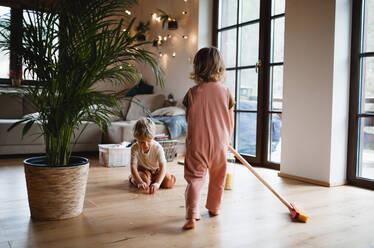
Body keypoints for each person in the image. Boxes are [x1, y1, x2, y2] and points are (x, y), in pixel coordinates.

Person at [182, 47, 235, 230]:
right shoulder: (226, 92)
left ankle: (192, 215)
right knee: (218, 177)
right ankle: (214, 208)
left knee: (195, 179)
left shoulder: (192, 93)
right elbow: (230, 120)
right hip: (220, 144)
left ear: (197, 68)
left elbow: (189, 119)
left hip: (198, 143)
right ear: (220, 68)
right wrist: (227, 139)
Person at [129, 117, 176, 194]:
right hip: (143, 170)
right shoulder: (134, 148)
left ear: (153, 137)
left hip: (157, 170)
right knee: (144, 182)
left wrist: (157, 183)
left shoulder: (158, 147)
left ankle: (153, 181)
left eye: (148, 141)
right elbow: (133, 166)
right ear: (136, 139)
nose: (146, 145)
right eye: (142, 142)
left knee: (168, 182)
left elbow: (163, 166)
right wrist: (140, 182)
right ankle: (132, 177)